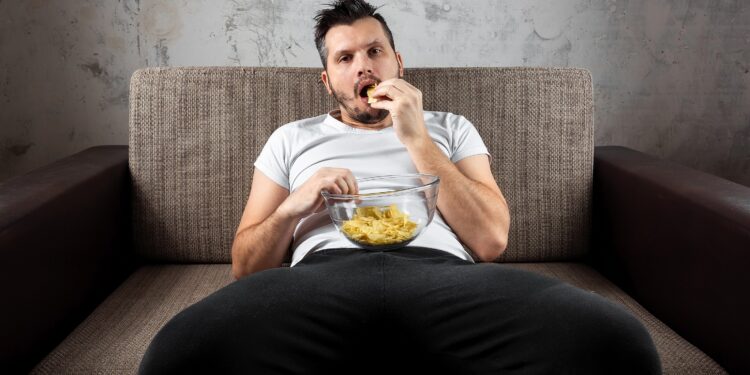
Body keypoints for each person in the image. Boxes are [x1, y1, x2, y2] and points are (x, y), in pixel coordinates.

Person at [139, 1, 661, 373]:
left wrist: (416, 138)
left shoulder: (450, 127)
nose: (363, 65)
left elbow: (491, 241)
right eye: (344, 58)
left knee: (620, 343)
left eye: (375, 51)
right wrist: (293, 209)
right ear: (327, 79)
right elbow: (245, 267)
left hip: (444, 279)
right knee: (176, 354)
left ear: (398, 62)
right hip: (321, 280)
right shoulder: (291, 138)